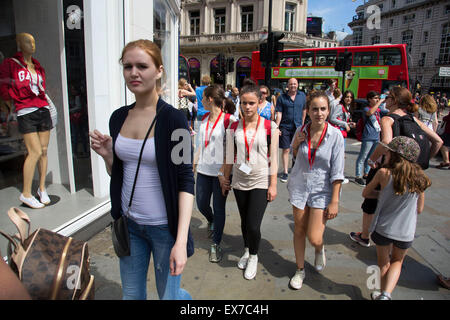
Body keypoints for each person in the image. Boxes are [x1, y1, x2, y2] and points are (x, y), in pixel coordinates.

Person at [89, 39, 194, 300]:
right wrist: (107, 157)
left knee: (169, 296)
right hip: (130, 225)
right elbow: (120, 174)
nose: (134, 73)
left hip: (164, 230)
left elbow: (185, 182)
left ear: (159, 70)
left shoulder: (174, 119)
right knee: (132, 295)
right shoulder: (118, 117)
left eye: (142, 66)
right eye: (128, 66)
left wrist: (180, 242)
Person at [219, 85, 279, 280]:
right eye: (244, 103)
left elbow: (274, 158)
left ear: (259, 102)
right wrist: (224, 179)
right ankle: (247, 249)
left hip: (261, 179)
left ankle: (254, 256)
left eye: (251, 103)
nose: (247, 107)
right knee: (245, 221)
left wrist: (273, 184)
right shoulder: (233, 127)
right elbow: (228, 157)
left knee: (254, 224)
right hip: (239, 179)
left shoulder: (270, 126)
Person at [287, 90, 345, 290]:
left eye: (323, 109)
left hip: (322, 190)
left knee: (314, 236)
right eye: (315, 109)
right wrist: (296, 144)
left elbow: (338, 172)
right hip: (300, 187)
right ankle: (300, 269)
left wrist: (335, 201)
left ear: (328, 111)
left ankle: (319, 249)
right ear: (308, 111)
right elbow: (295, 156)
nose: (319, 113)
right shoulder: (301, 130)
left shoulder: (335, 136)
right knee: (299, 230)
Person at [364, 136, 431, 300]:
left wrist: (382, 194)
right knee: (397, 262)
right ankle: (386, 294)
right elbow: (419, 209)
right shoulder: (420, 178)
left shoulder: (383, 173)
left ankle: (380, 291)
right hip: (406, 231)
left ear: (394, 155)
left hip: (383, 228)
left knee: (383, 263)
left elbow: (366, 193)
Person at [0, 33, 53, 209]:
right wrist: (13, 101)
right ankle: (26, 193)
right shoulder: (10, 64)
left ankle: (42, 188)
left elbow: (41, 88)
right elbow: (4, 87)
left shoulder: (37, 66)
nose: (32, 44)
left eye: (33, 41)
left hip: (42, 109)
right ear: (19, 43)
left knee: (44, 151)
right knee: (34, 152)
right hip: (26, 112)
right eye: (27, 41)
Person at [194, 85, 236, 263]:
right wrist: (193, 164)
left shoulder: (230, 120)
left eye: (203, 97)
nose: (200, 100)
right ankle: (211, 221)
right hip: (203, 171)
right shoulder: (203, 118)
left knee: (219, 208)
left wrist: (224, 174)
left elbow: (232, 151)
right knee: (201, 204)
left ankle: (216, 243)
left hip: (221, 173)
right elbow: (200, 145)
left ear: (210, 99)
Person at [275, 78, 307, 183]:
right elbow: (279, 113)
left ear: (297, 85)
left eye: (295, 84)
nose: (293, 85)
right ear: (287, 86)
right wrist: (277, 127)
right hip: (285, 126)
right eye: (291, 84)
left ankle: (295, 169)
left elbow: (304, 111)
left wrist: (303, 126)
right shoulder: (282, 98)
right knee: (286, 149)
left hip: (298, 127)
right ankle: (285, 172)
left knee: (297, 149)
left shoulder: (302, 96)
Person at [354, 91, 384, 186]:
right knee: (363, 156)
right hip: (368, 136)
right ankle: (358, 175)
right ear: (369, 99)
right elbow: (370, 112)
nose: (377, 100)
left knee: (370, 157)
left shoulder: (378, 111)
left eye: (378, 98)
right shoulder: (366, 108)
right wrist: (379, 103)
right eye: (375, 98)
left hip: (376, 136)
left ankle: (366, 173)